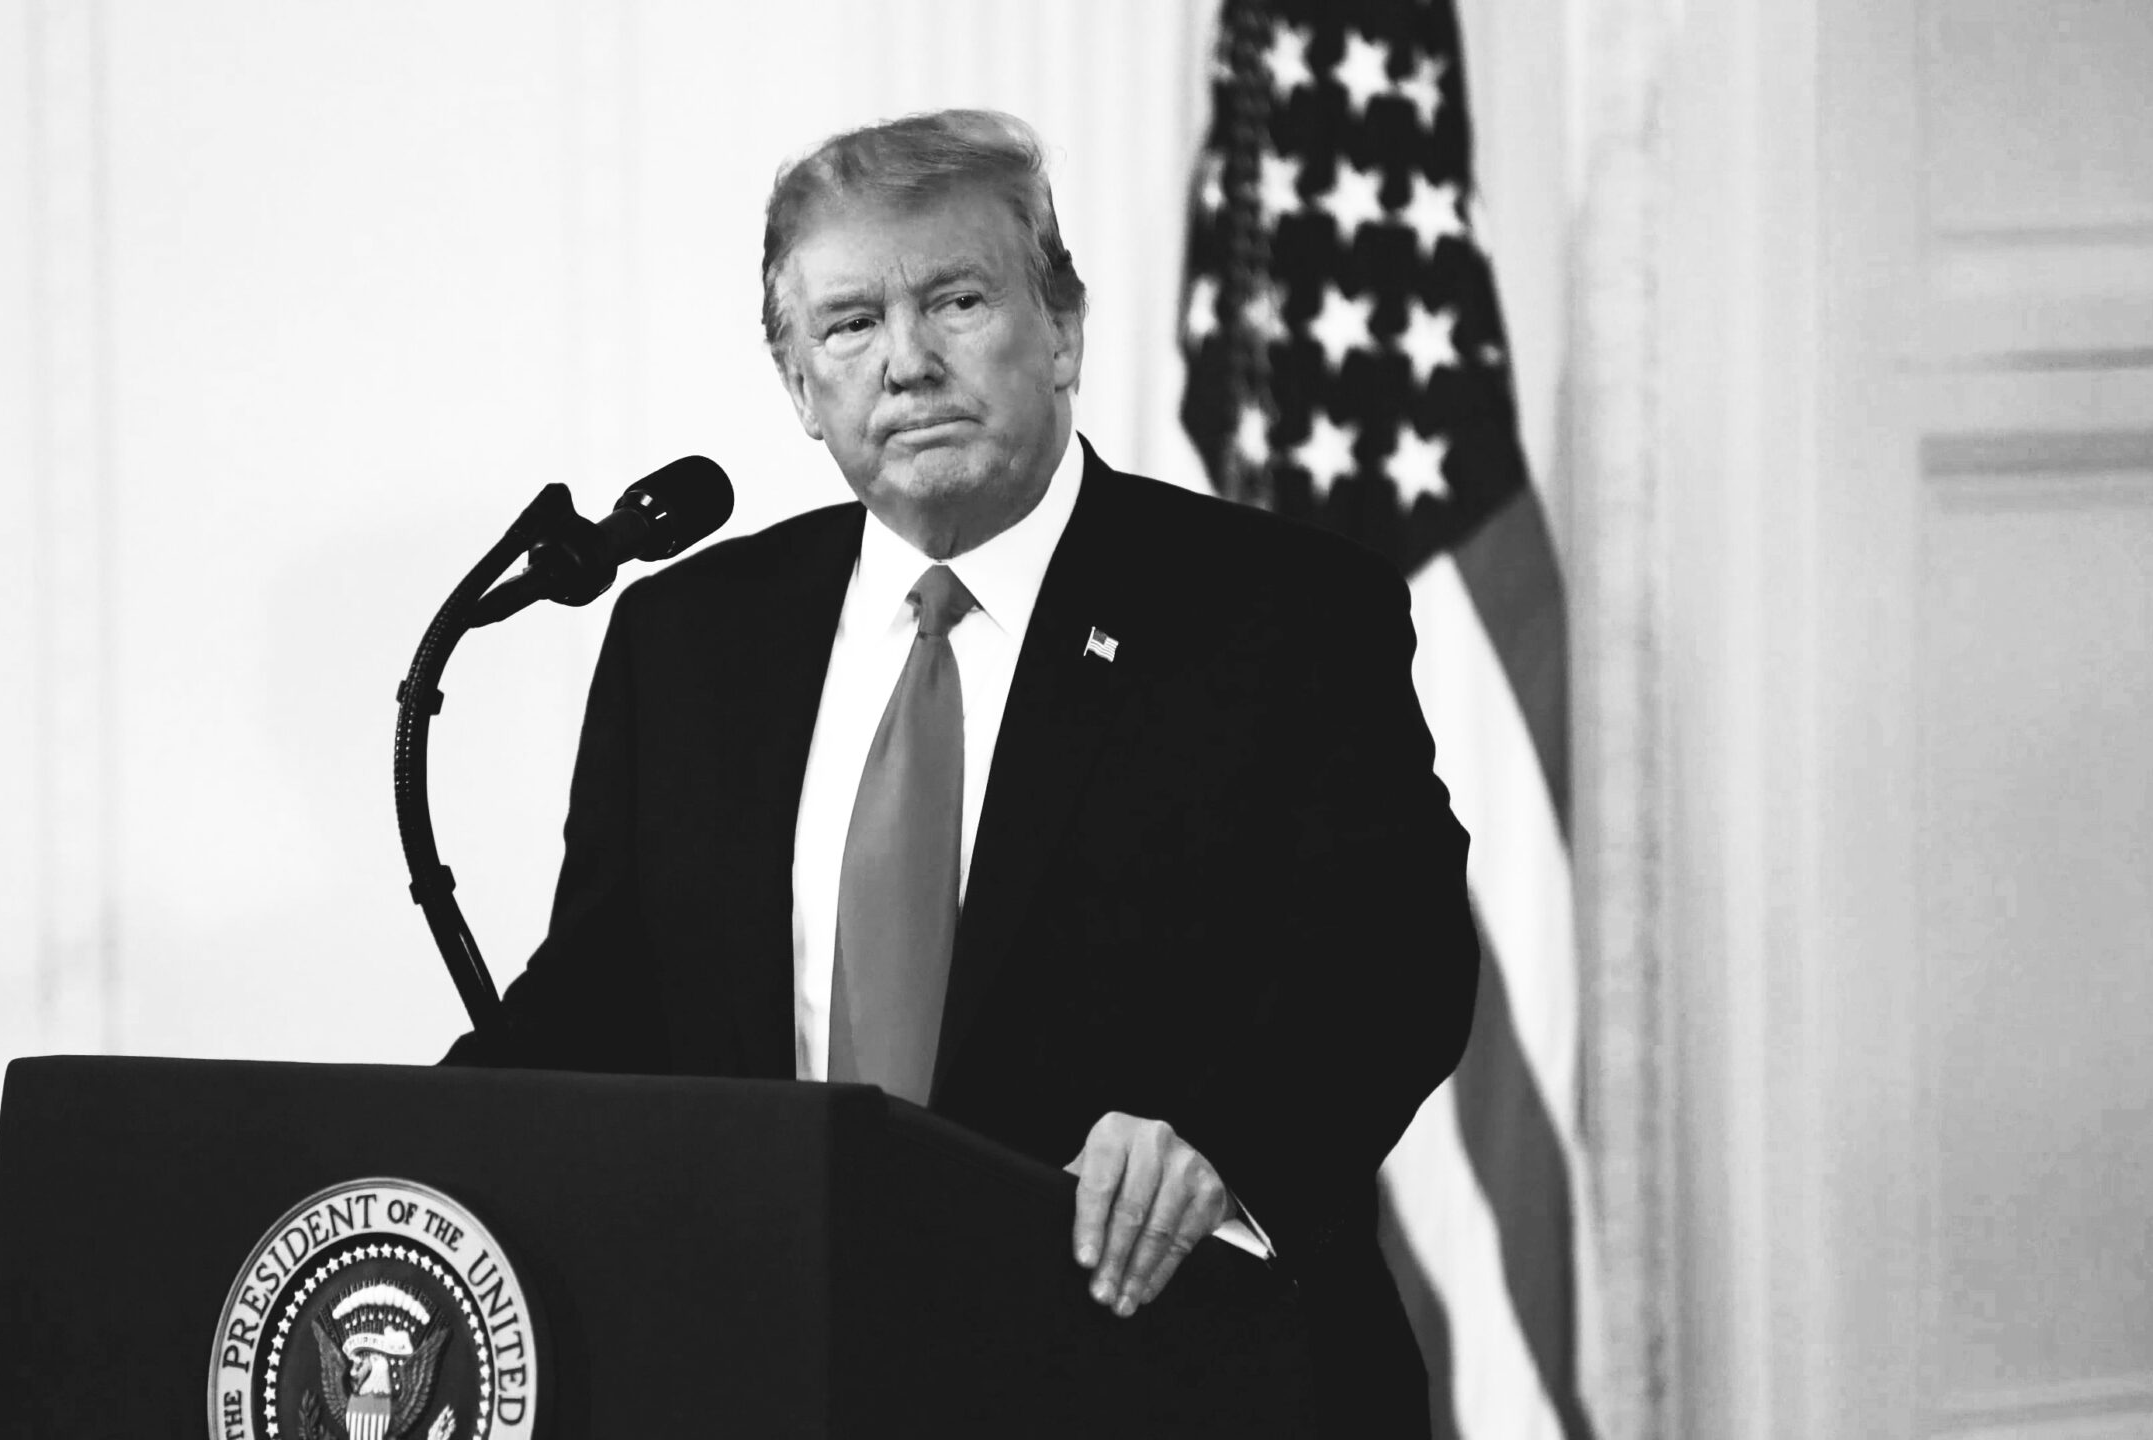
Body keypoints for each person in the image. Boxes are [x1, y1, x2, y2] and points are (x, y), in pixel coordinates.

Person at [443, 109, 1475, 1433]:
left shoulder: (1274, 611)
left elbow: (1397, 952)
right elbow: (605, 994)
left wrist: (1225, 1140)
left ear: (1064, 328)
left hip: (1166, 1373)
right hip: (794, 1380)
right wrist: (398, 1152)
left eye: (959, 301)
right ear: (799, 384)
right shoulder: (692, 640)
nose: (909, 363)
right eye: (850, 324)